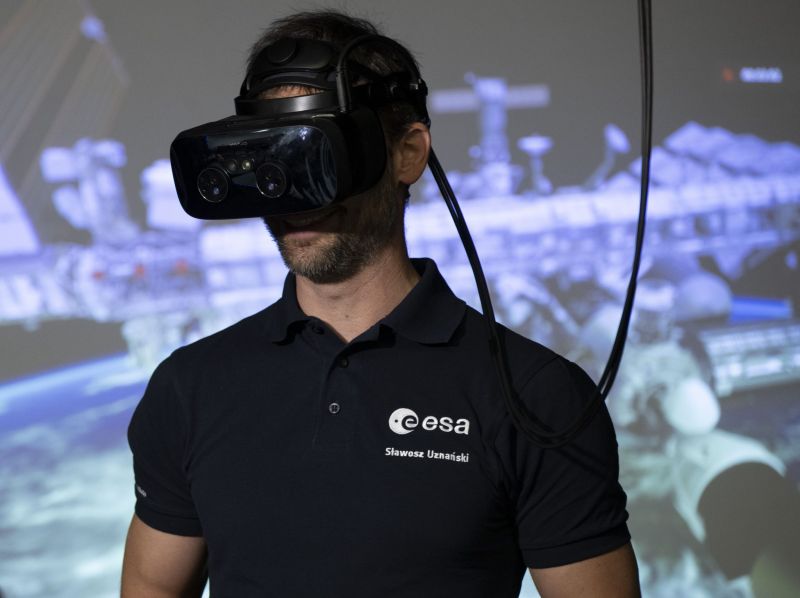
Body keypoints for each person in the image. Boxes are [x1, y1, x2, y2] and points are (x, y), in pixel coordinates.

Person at [121, 10, 640, 597]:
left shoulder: (534, 395)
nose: (296, 196)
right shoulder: (191, 386)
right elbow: (153, 586)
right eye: (275, 159)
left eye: (319, 154)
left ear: (407, 153)